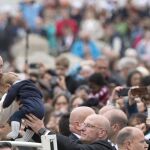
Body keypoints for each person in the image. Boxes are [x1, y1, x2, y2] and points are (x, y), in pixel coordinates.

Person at [25, 114, 114, 150]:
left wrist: (42, 130)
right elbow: (56, 145)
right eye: (83, 124)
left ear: (102, 133)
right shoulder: (81, 143)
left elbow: (74, 148)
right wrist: (32, 128)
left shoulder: (104, 148)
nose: (82, 128)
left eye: (88, 126)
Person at [1, 72, 45, 141]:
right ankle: (25, 139)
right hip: (41, 109)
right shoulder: (31, 84)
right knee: (30, 126)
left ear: (8, 87)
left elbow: (10, 96)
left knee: (15, 116)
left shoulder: (15, 86)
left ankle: (15, 133)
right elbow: (41, 94)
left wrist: (5, 104)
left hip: (30, 108)